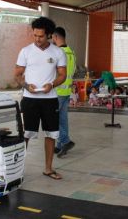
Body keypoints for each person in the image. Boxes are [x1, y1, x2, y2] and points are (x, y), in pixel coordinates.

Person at [14, 17, 67, 180]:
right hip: (29, 100)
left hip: (50, 100)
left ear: (49, 35)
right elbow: (17, 74)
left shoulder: (58, 52)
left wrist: (51, 84)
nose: (37, 39)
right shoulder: (25, 51)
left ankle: (48, 169)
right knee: (26, 134)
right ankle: (17, 171)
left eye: (41, 36)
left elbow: (63, 75)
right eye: (35, 35)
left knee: (51, 134)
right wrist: (25, 85)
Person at [52, 27, 76, 158]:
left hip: (58, 91)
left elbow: (54, 72)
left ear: (55, 37)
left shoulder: (59, 52)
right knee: (62, 119)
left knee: (53, 119)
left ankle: (65, 141)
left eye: (52, 38)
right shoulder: (71, 52)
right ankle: (60, 145)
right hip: (67, 91)